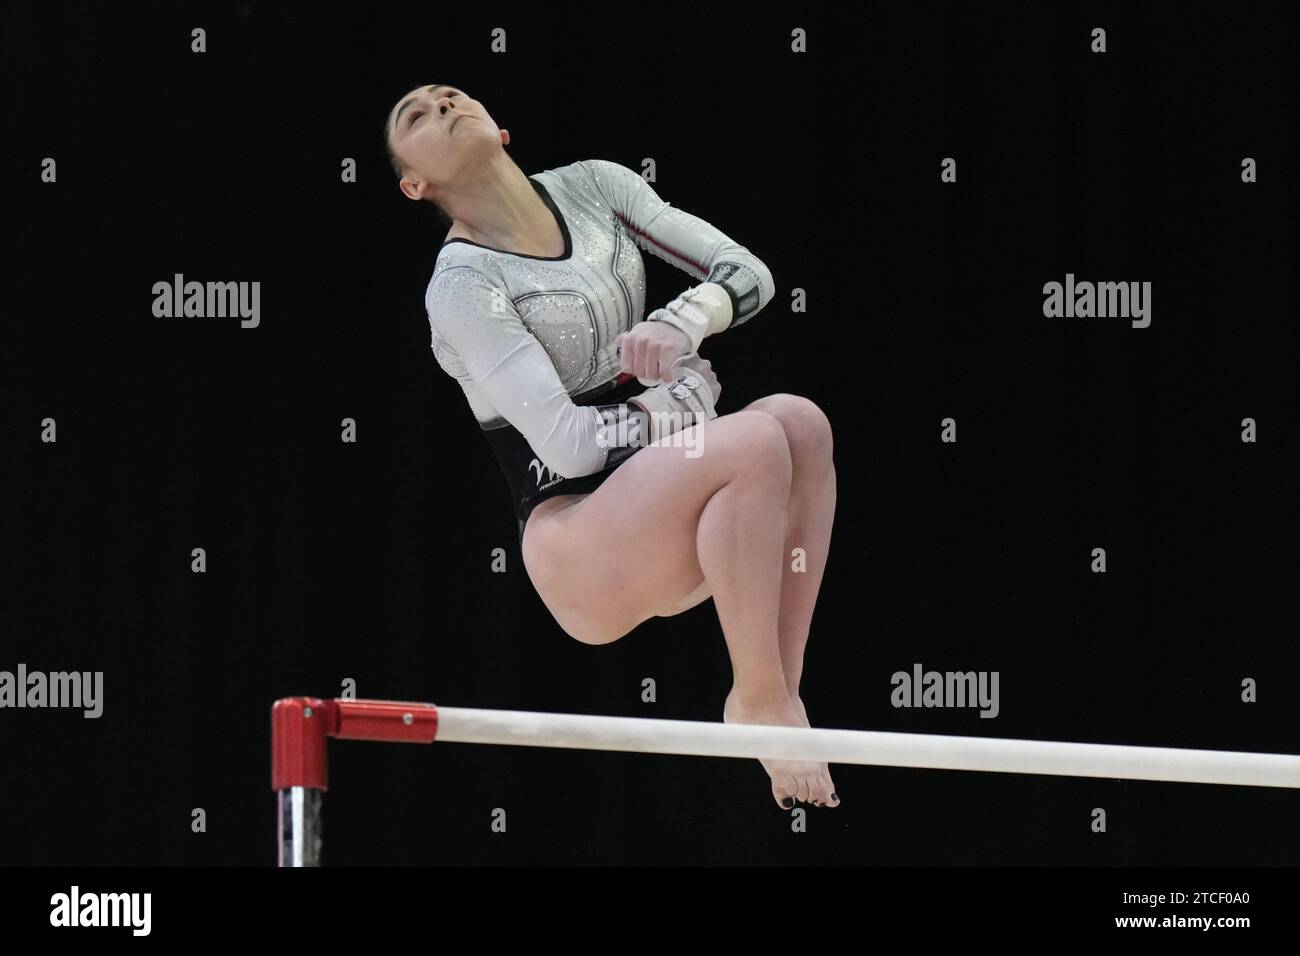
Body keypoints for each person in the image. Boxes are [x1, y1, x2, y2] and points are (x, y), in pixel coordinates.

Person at [386, 84, 840, 810]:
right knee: (755, 437)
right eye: (417, 115)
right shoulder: (463, 285)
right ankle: (755, 698)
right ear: (417, 184)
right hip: (577, 538)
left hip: (674, 514)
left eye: (450, 96)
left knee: (801, 422)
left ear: (501, 129)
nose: (441, 106)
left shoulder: (596, 186)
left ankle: (780, 692)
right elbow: (566, 447)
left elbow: (749, 273)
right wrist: (680, 400)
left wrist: (687, 320)